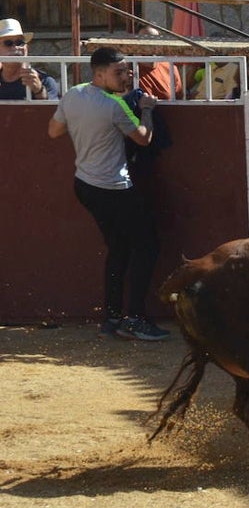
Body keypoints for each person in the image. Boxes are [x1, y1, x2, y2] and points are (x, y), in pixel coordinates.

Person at [46, 46, 169, 341]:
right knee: (147, 245)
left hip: (85, 185)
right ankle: (136, 318)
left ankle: (112, 318)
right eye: (119, 72)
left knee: (119, 247)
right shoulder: (116, 106)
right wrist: (148, 110)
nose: (126, 76)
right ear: (99, 74)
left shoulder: (73, 93)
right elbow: (144, 138)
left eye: (127, 70)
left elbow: (54, 131)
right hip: (114, 187)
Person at [0, 18, 59, 101]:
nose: (15, 47)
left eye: (19, 43)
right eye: (8, 43)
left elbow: (53, 111)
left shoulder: (45, 81)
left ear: (26, 48)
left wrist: (39, 90)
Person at [133, 26, 185, 101]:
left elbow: (179, 99)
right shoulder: (128, 69)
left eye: (154, 41)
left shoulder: (170, 68)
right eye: (144, 41)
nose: (149, 46)